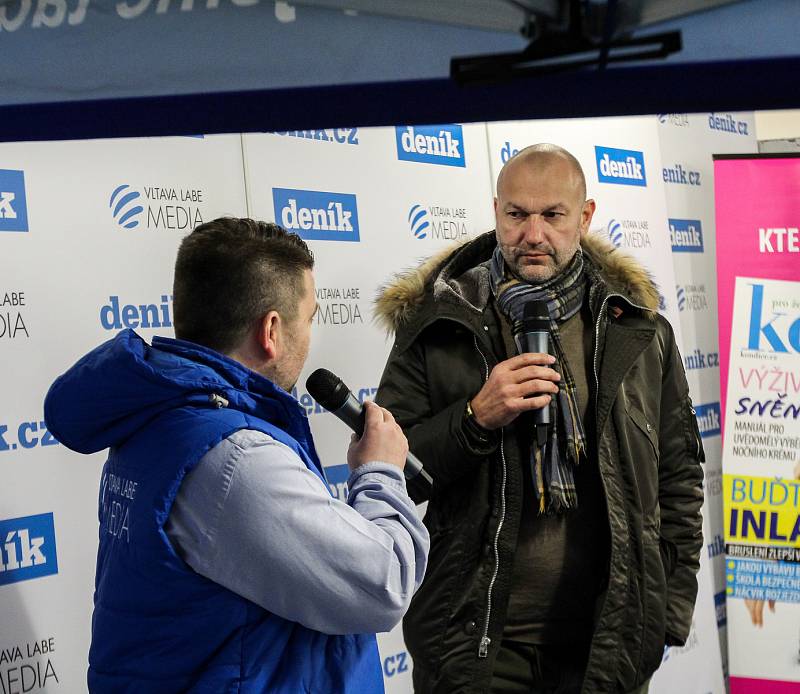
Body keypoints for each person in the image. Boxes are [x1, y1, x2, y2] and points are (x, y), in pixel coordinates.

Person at [44, 217, 429, 693]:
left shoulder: (165, 419)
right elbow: (381, 584)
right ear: (271, 330)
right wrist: (381, 473)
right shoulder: (236, 460)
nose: (309, 337)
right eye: (308, 318)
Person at [375, 144, 705, 693]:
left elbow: (678, 480)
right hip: (476, 643)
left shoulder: (640, 332)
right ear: (496, 211)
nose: (533, 234)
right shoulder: (439, 324)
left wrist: (664, 615)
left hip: (604, 643)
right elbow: (389, 473)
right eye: (516, 214)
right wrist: (476, 418)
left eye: (552, 215)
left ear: (585, 216)